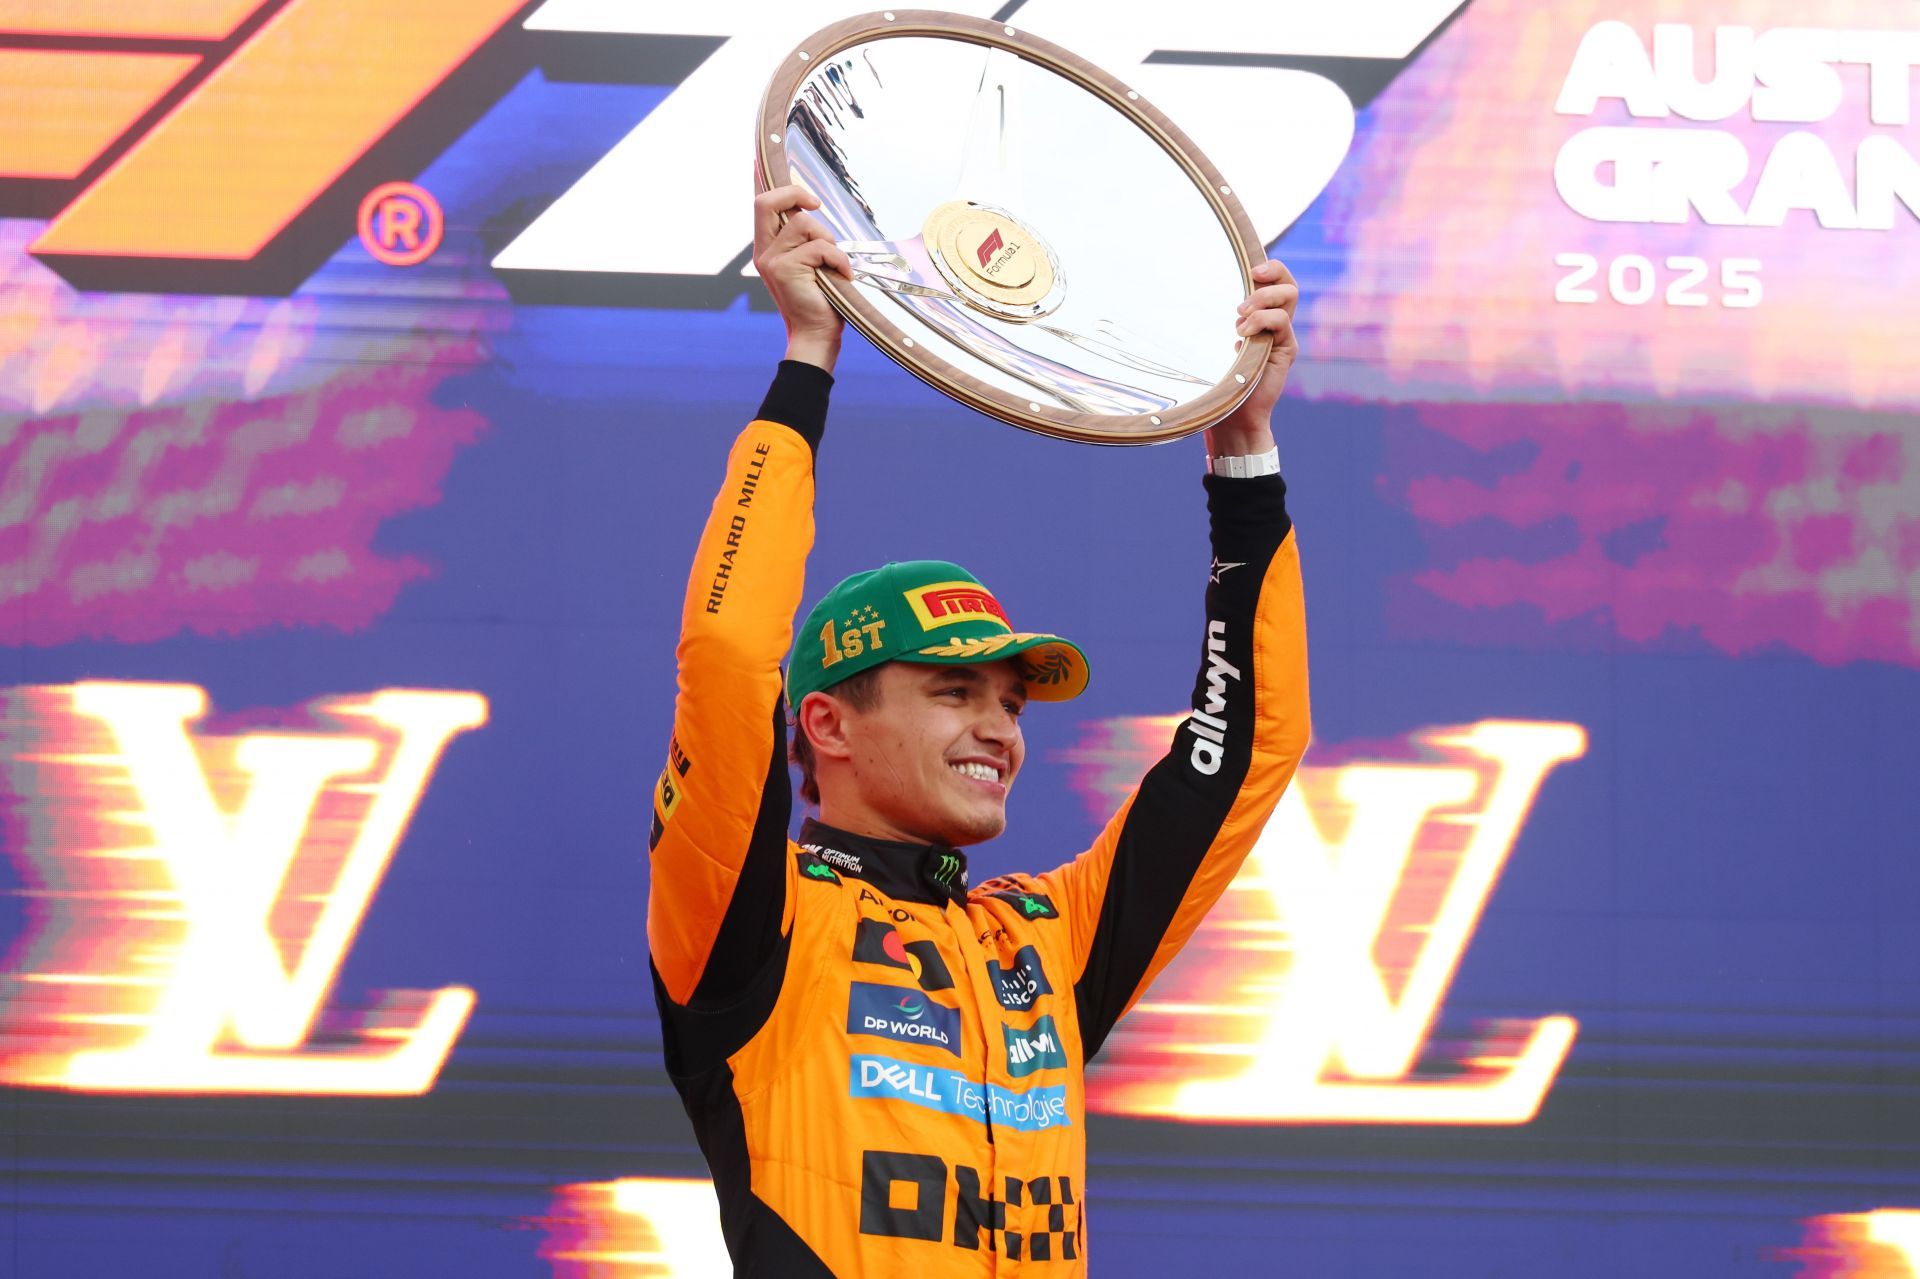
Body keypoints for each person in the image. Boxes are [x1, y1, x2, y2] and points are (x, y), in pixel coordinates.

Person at [646, 184, 1309, 1276]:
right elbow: (724, 656)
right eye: (953, 691)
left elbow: (1242, 755)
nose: (1000, 726)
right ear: (829, 723)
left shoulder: (1046, 940)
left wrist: (1242, 449)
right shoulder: (748, 919)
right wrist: (807, 357)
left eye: (1011, 699)